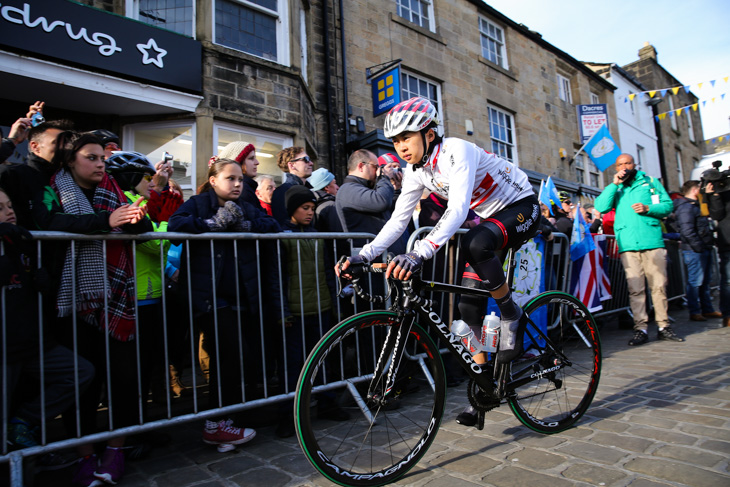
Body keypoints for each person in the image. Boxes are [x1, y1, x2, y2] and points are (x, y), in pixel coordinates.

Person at [337, 97, 540, 428]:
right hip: (493, 218)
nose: (401, 147)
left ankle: (511, 314)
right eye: (396, 141)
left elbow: (458, 209)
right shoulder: (416, 171)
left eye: (407, 137)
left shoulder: (456, 151)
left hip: (522, 206)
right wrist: (365, 254)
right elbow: (398, 221)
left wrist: (419, 253)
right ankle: (484, 389)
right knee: (467, 309)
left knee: (475, 242)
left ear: (428, 134)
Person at [43, 131, 151, 487]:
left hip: (116, 298)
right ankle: (84, 455)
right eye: (91, 157)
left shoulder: (114, 190)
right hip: (74, 301)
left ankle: (115, 451)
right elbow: (50, 224)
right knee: (83, 383)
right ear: (71, 160)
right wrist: (105, 222)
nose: (100, 164)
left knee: (123, 379)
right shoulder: (54, 189)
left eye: (102, 158)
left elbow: (144, 225)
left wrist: (133, 220)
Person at [168, 158, 283, 450]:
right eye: (230, 178)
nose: (237, 184)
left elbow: (271, 223)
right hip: (210, 296)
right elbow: (175, 224)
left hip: (241, 295)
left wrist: (245, 223)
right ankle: (215, 424)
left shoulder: (245, 204)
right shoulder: (197, 203)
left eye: (239, 179)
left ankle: (222, 423)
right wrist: (211, 224)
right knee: (229, 355)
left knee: (235, 358)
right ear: (214, 180)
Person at [0, 188, 95, 451]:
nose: (9, 212)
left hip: (31, 343)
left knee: (80, 372)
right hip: (5, 349)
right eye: (0, 208)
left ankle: (24, 421)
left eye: (10, 205)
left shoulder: (21, 240)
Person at [275, 185, 343, 437]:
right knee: (293, 366)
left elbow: (326, 271)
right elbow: (278, 277)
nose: (309, 213)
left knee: (323, 359)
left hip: (321, 307)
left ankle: (328, 403)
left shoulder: (317, 234)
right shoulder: (281, 235)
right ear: (292, 209)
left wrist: (334, 304)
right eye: (305, 208)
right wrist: (282, 311)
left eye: (312, 209)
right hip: (295, 310)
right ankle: (289, 416)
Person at [594, 153, 682, 346]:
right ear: (616, 168)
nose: (624, 167)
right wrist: (614, 184)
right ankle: (640, 328)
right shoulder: (616, 187)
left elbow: (667, 206)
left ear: (634, 164)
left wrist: (648, 208)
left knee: (658, 286)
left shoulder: (649, 182)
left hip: (652, 241)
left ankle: (663, 326)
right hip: (628, 244)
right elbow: (600, 206)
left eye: (627, 163)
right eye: (620, 165)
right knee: (635, 290)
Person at [0, 118, 74, 229]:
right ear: (35, 146)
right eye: (57, 143)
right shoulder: (12, 174)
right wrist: (12, 141)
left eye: (66, 143)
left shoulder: (71, 178)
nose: (64, 148)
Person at [336, 149, 406, 256]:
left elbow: (391, 212)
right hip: (372, 262)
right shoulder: (347, 189)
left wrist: (396, 190)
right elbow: (381, 202)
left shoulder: (366, 188)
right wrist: (384, 177)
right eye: (376, 167)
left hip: (385, 258)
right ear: (361, 166)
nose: (378, 171)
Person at [673, 180, 720, 322]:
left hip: (701, 248)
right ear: (695, 190)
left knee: (705, 281)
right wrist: (698, 246)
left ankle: (707, 309)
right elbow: (687, 230)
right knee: (695, 282)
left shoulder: (696, 206)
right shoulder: (686, 207)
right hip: (694, 250)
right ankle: (695, 311)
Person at [705, 179, 730, 327]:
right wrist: (714, 196)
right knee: (728, 280)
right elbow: (716, 214)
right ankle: (727, 314)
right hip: (728, 240)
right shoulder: (723, 189)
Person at [216, 141, 266, 214]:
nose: (257, 162)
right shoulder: (242, 190)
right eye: (251, 158)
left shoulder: (246, 188)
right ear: (238, 163)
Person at [271, 147, 314, 224]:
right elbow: (283, 224)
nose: (311, 163)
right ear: (291, 165)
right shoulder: (283, 192)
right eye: (306, 159)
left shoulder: (308, 191)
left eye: (310, 159)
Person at [308, 167, 342, 232]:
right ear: (326, 187)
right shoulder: (331, 205)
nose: (338, 187)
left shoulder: (312, 203)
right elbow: (337, 233)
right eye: (334, 183)